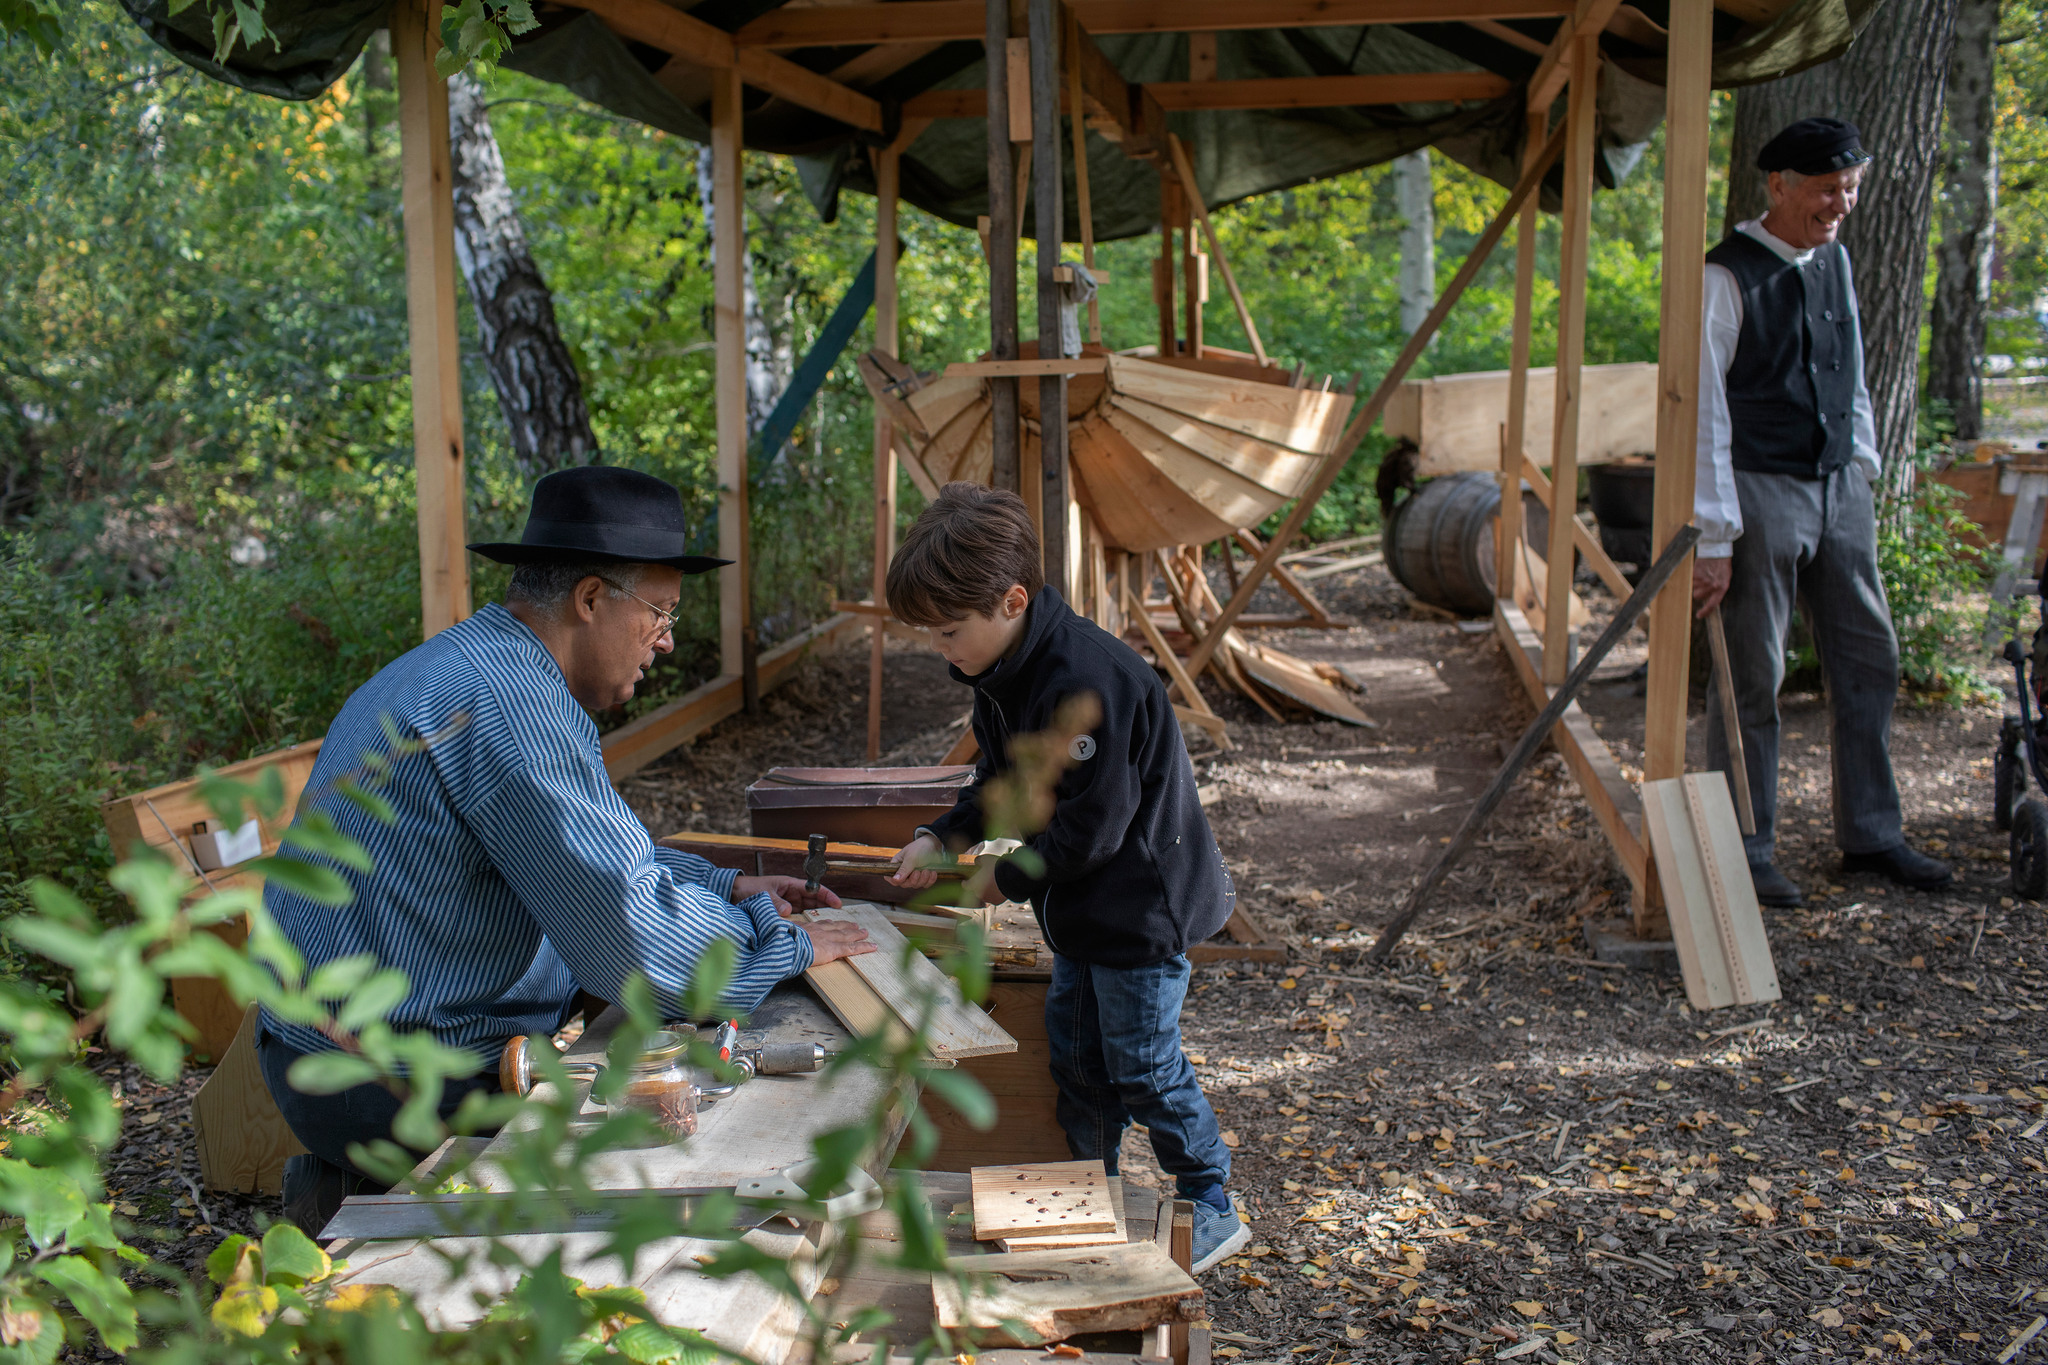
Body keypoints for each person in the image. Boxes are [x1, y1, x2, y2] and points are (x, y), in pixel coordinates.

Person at [258, 466, 873, 1233]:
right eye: (660, 612)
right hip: (381, 1076)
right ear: (590, 599)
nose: (668, 639)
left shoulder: (473, 666)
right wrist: (783, 944)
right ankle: (384, 1198)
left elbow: (593, 854)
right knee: (681, 1149)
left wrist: (729, 889)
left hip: (324, 1047)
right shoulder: (509, 708)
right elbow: (645, 958)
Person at [882, 483, 1248, 1272]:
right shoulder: (1001, 673)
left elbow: (1095, 825)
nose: (941, 646)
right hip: (1081, 909)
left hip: (1140, 908)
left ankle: (1211, 1195)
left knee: (1143, 1063)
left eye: (950, 629)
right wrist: (940, 836)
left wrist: (1002, 880)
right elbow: (999, 781)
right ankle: (1092, 1184)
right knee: (1076, 1057)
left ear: (1012, 599)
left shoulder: (1088, 680)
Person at [1693, 116, 1951, 907]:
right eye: (1827, 188)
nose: (1841, 203)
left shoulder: (1835, 261)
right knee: (1754, 676)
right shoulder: (1724, 276)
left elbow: (1855, 373)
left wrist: (1863, 464)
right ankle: (1745, 843)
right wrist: (1714, 530)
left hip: (1841, 487)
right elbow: (1702, 408)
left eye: (1851, 188)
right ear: (1778, 186)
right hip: (1760, 488)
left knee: (1869, 659)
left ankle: (1871, 834)